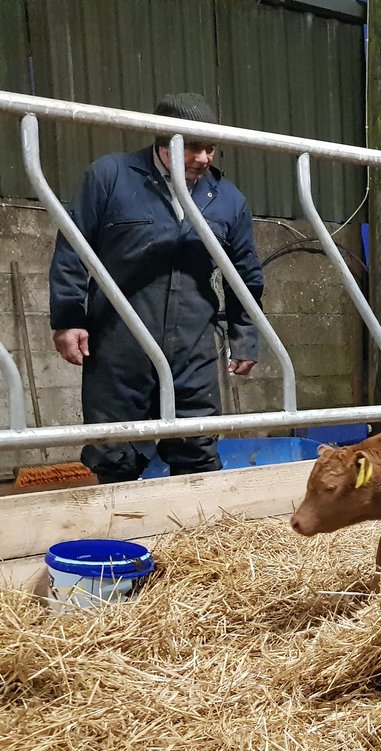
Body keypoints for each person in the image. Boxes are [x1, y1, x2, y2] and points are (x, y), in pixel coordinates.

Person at [48, 92, 264, 483]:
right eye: (194, 147)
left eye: (210, 148)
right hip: (119, 338)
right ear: (163, 142)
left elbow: (245, 274)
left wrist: (244, 335)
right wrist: (67, 319)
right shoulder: (110, 176)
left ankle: (201, 538)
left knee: (196, 444)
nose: (204, 158)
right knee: (115, 449)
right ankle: (120, 539)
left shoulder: (228, 199)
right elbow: (73, 248)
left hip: (193, 341)